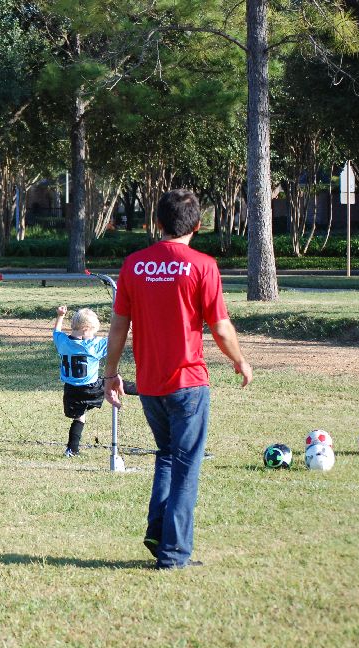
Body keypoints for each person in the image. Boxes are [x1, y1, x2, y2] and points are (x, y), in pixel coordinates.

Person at [102, 189, 252, 570]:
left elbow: (118, 326)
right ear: (198, 225)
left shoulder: (134, 265)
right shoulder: (203, 266)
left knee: (168, 455)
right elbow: (220, 326)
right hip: (188, 385)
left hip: (150, 386)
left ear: (157, 223)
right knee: (186, 465)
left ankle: (158, 532)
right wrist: (239, 360)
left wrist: (111, 374)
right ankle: (173, 554)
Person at [53, 305, 108, 457]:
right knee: (116, 383)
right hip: (91, 388)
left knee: (79, 417)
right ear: (85, 329)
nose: (94, 335)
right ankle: (144, 390)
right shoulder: (93, 346)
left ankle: (72, 450)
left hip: (71, 389)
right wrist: (127, 326)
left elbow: (56, 332)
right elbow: (116, 339)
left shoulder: (62, 342)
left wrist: (60, 316)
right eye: (93, 331)